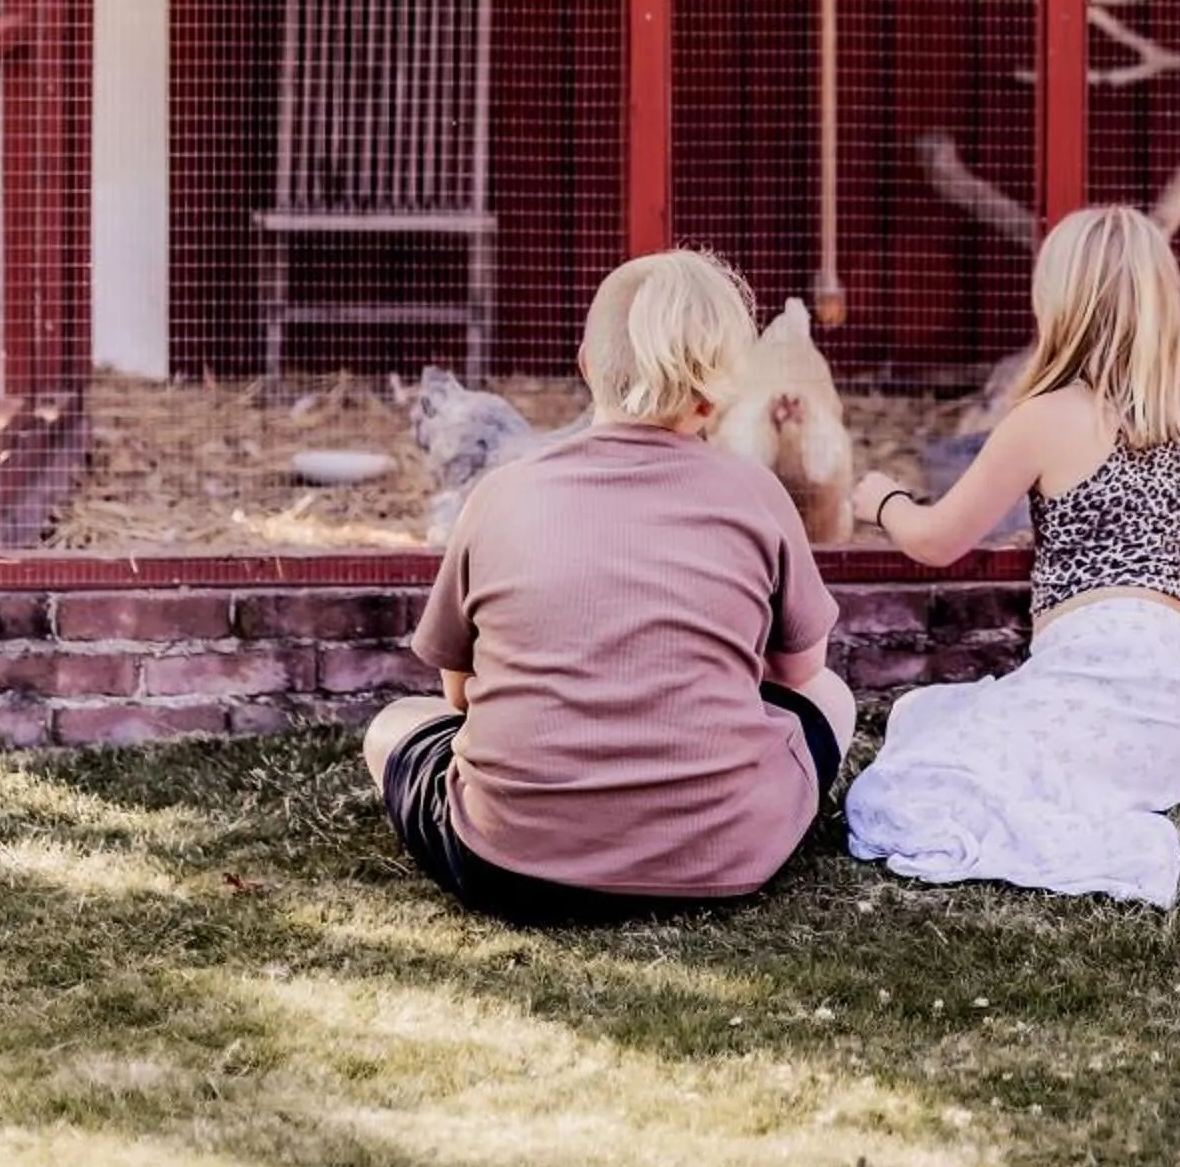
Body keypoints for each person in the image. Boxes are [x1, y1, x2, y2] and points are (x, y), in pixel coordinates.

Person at [363, 250, 856, 923]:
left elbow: (458, 694)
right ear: (714, 394)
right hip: (724, 858)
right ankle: (718, 814)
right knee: (833, 696)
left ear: (587, 364)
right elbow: (801, 673)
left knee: (393, 725)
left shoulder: (500, 494)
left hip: (506, 866)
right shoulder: (757, 493)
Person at [846, 205, 1180, 908]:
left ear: (1061, 304)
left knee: (896, 796)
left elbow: (937, 540)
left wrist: (882, 500)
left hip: (1102, 687)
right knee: (933, 720)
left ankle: (1119, 847)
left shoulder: (1049, 416)